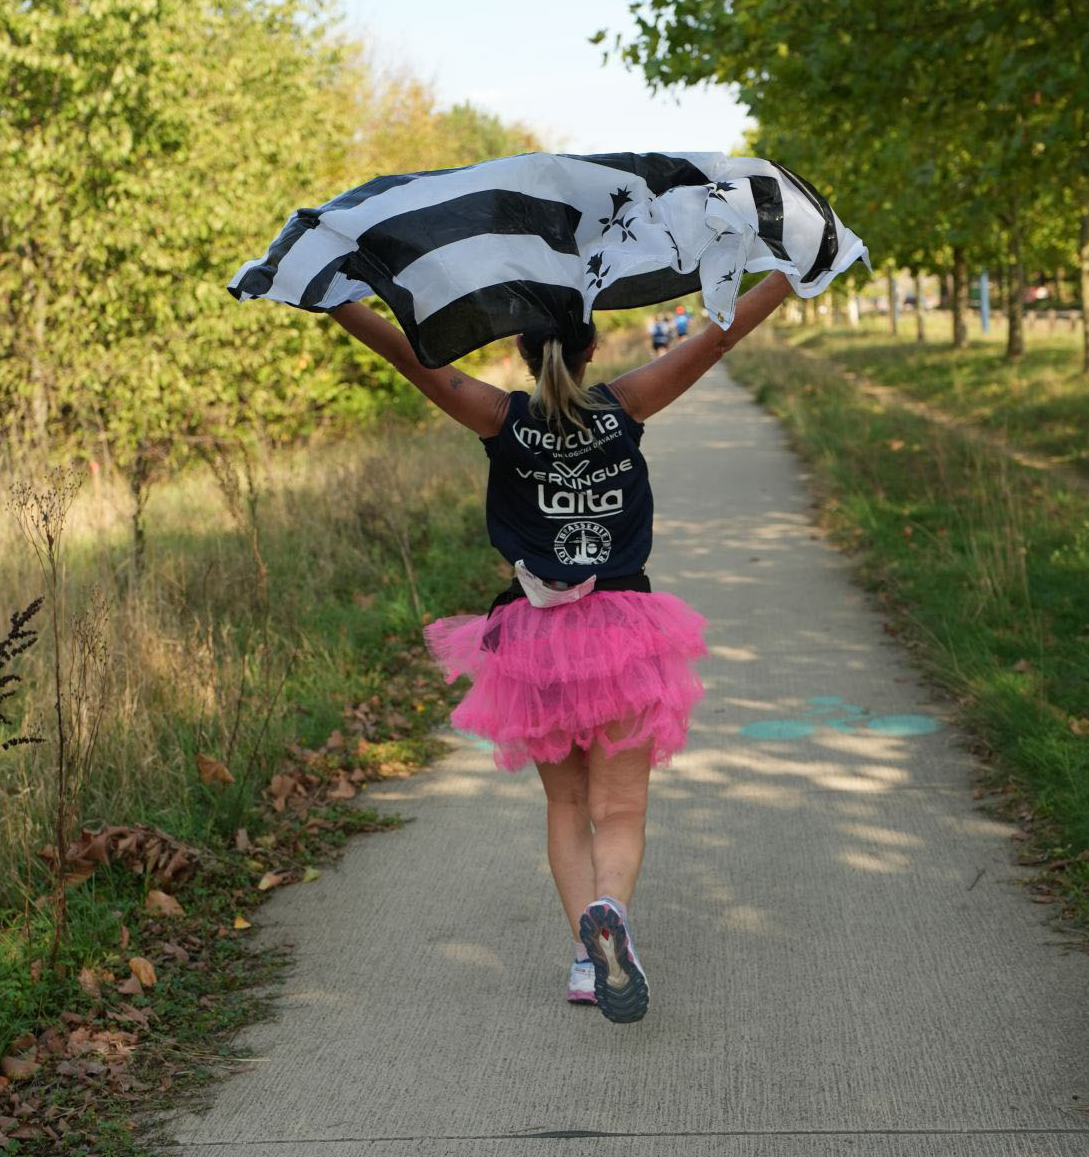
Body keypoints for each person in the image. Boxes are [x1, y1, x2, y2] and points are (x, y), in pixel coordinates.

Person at [330, 269, 792, 1024]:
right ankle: (611, 910)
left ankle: (586, 958)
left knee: (567, 804)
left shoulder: (497, 417)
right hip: (623, 632)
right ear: (590, 348)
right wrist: (795, 270)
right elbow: (720, 335)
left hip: (534, 640)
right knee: (621, 807)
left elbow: (408, 356)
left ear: (520, 348)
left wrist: (333, 297)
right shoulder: (627, 405)